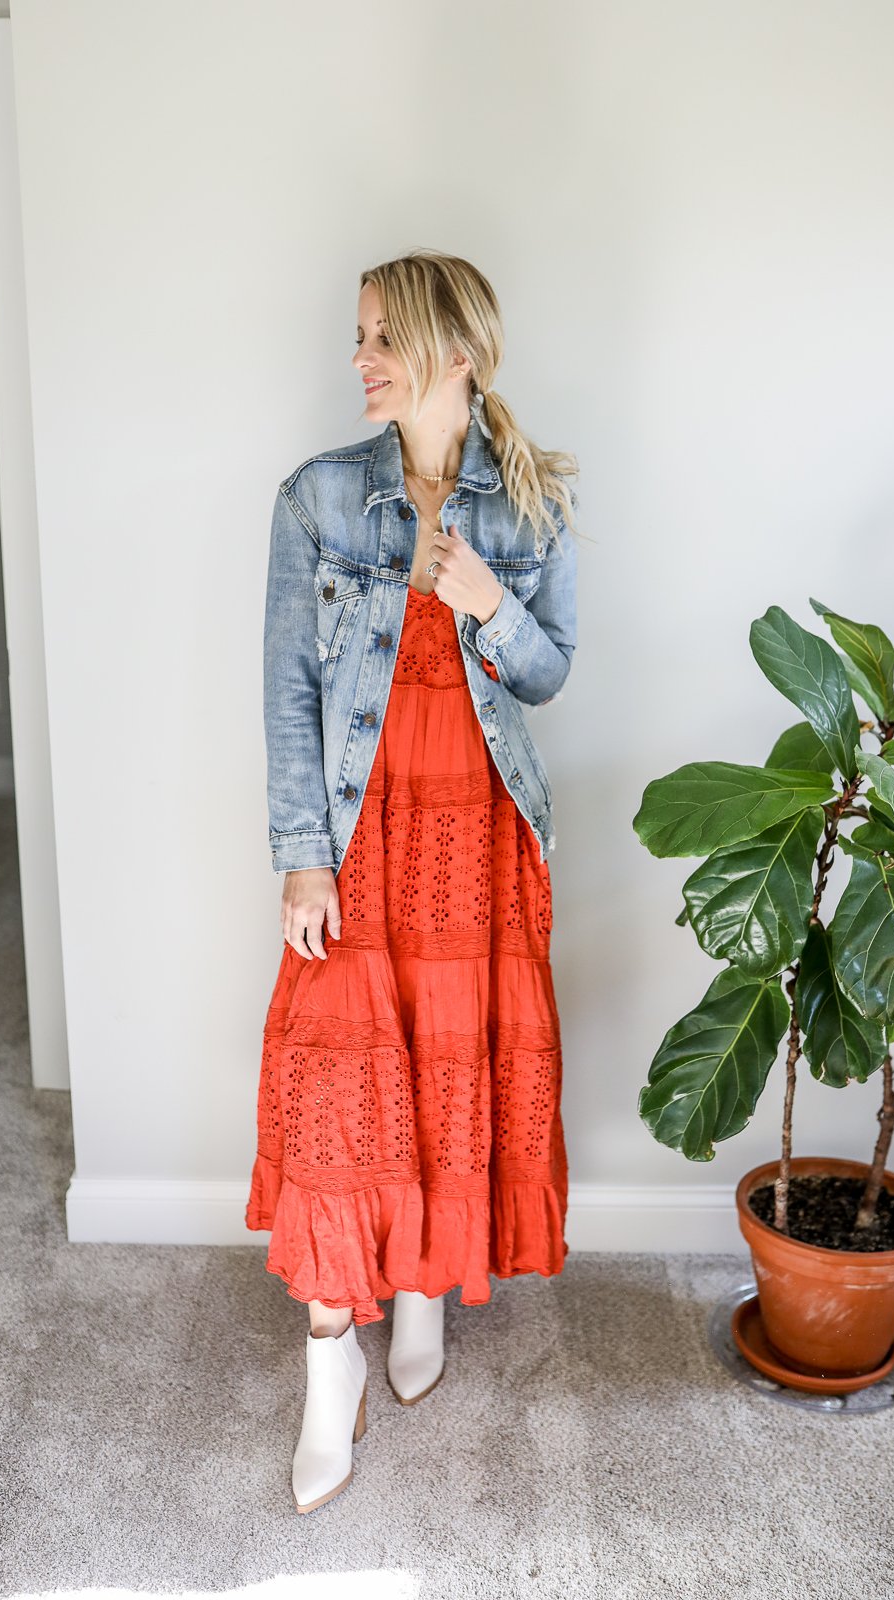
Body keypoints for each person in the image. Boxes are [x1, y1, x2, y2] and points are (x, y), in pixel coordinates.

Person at [244, 248, 582, 1513]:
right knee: (338, 1087)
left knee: (450, 1070)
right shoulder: (318, 499)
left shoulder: (527, 504)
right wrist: (296, 853)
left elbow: (547, 675)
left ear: (456, 348)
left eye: (382, 337)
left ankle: (426, 1282)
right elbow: (288, 688)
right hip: (357, 834)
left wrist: (487, 597)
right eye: (360, 335)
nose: (360, 359)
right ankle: (329, 1362)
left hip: (479, 845)